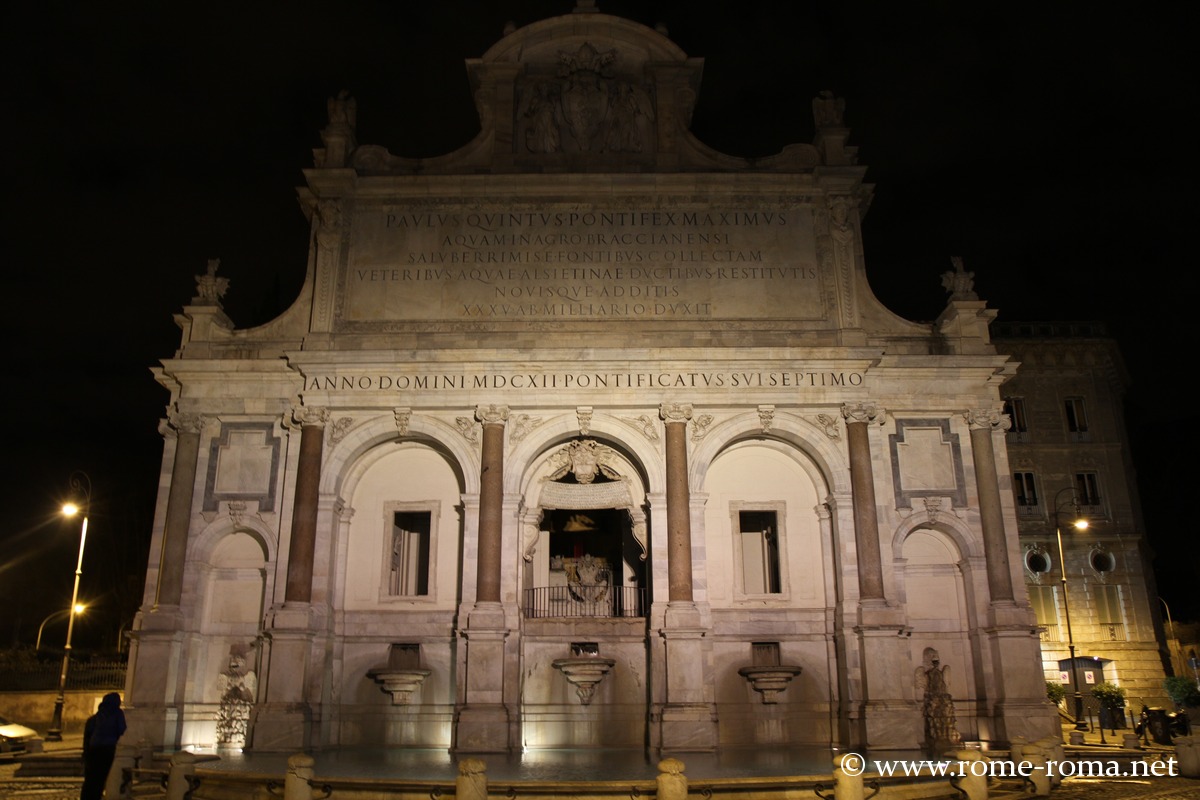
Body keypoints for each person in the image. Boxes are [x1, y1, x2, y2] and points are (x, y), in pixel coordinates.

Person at [80, 692, 126, 800]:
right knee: (101, 776)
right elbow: (122, 728)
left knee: (91, 776)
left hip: (93, 748)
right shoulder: (117, 713)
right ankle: (97, 795)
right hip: (108, 748)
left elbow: (88, 733)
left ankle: (87, 796)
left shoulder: (97, 715)